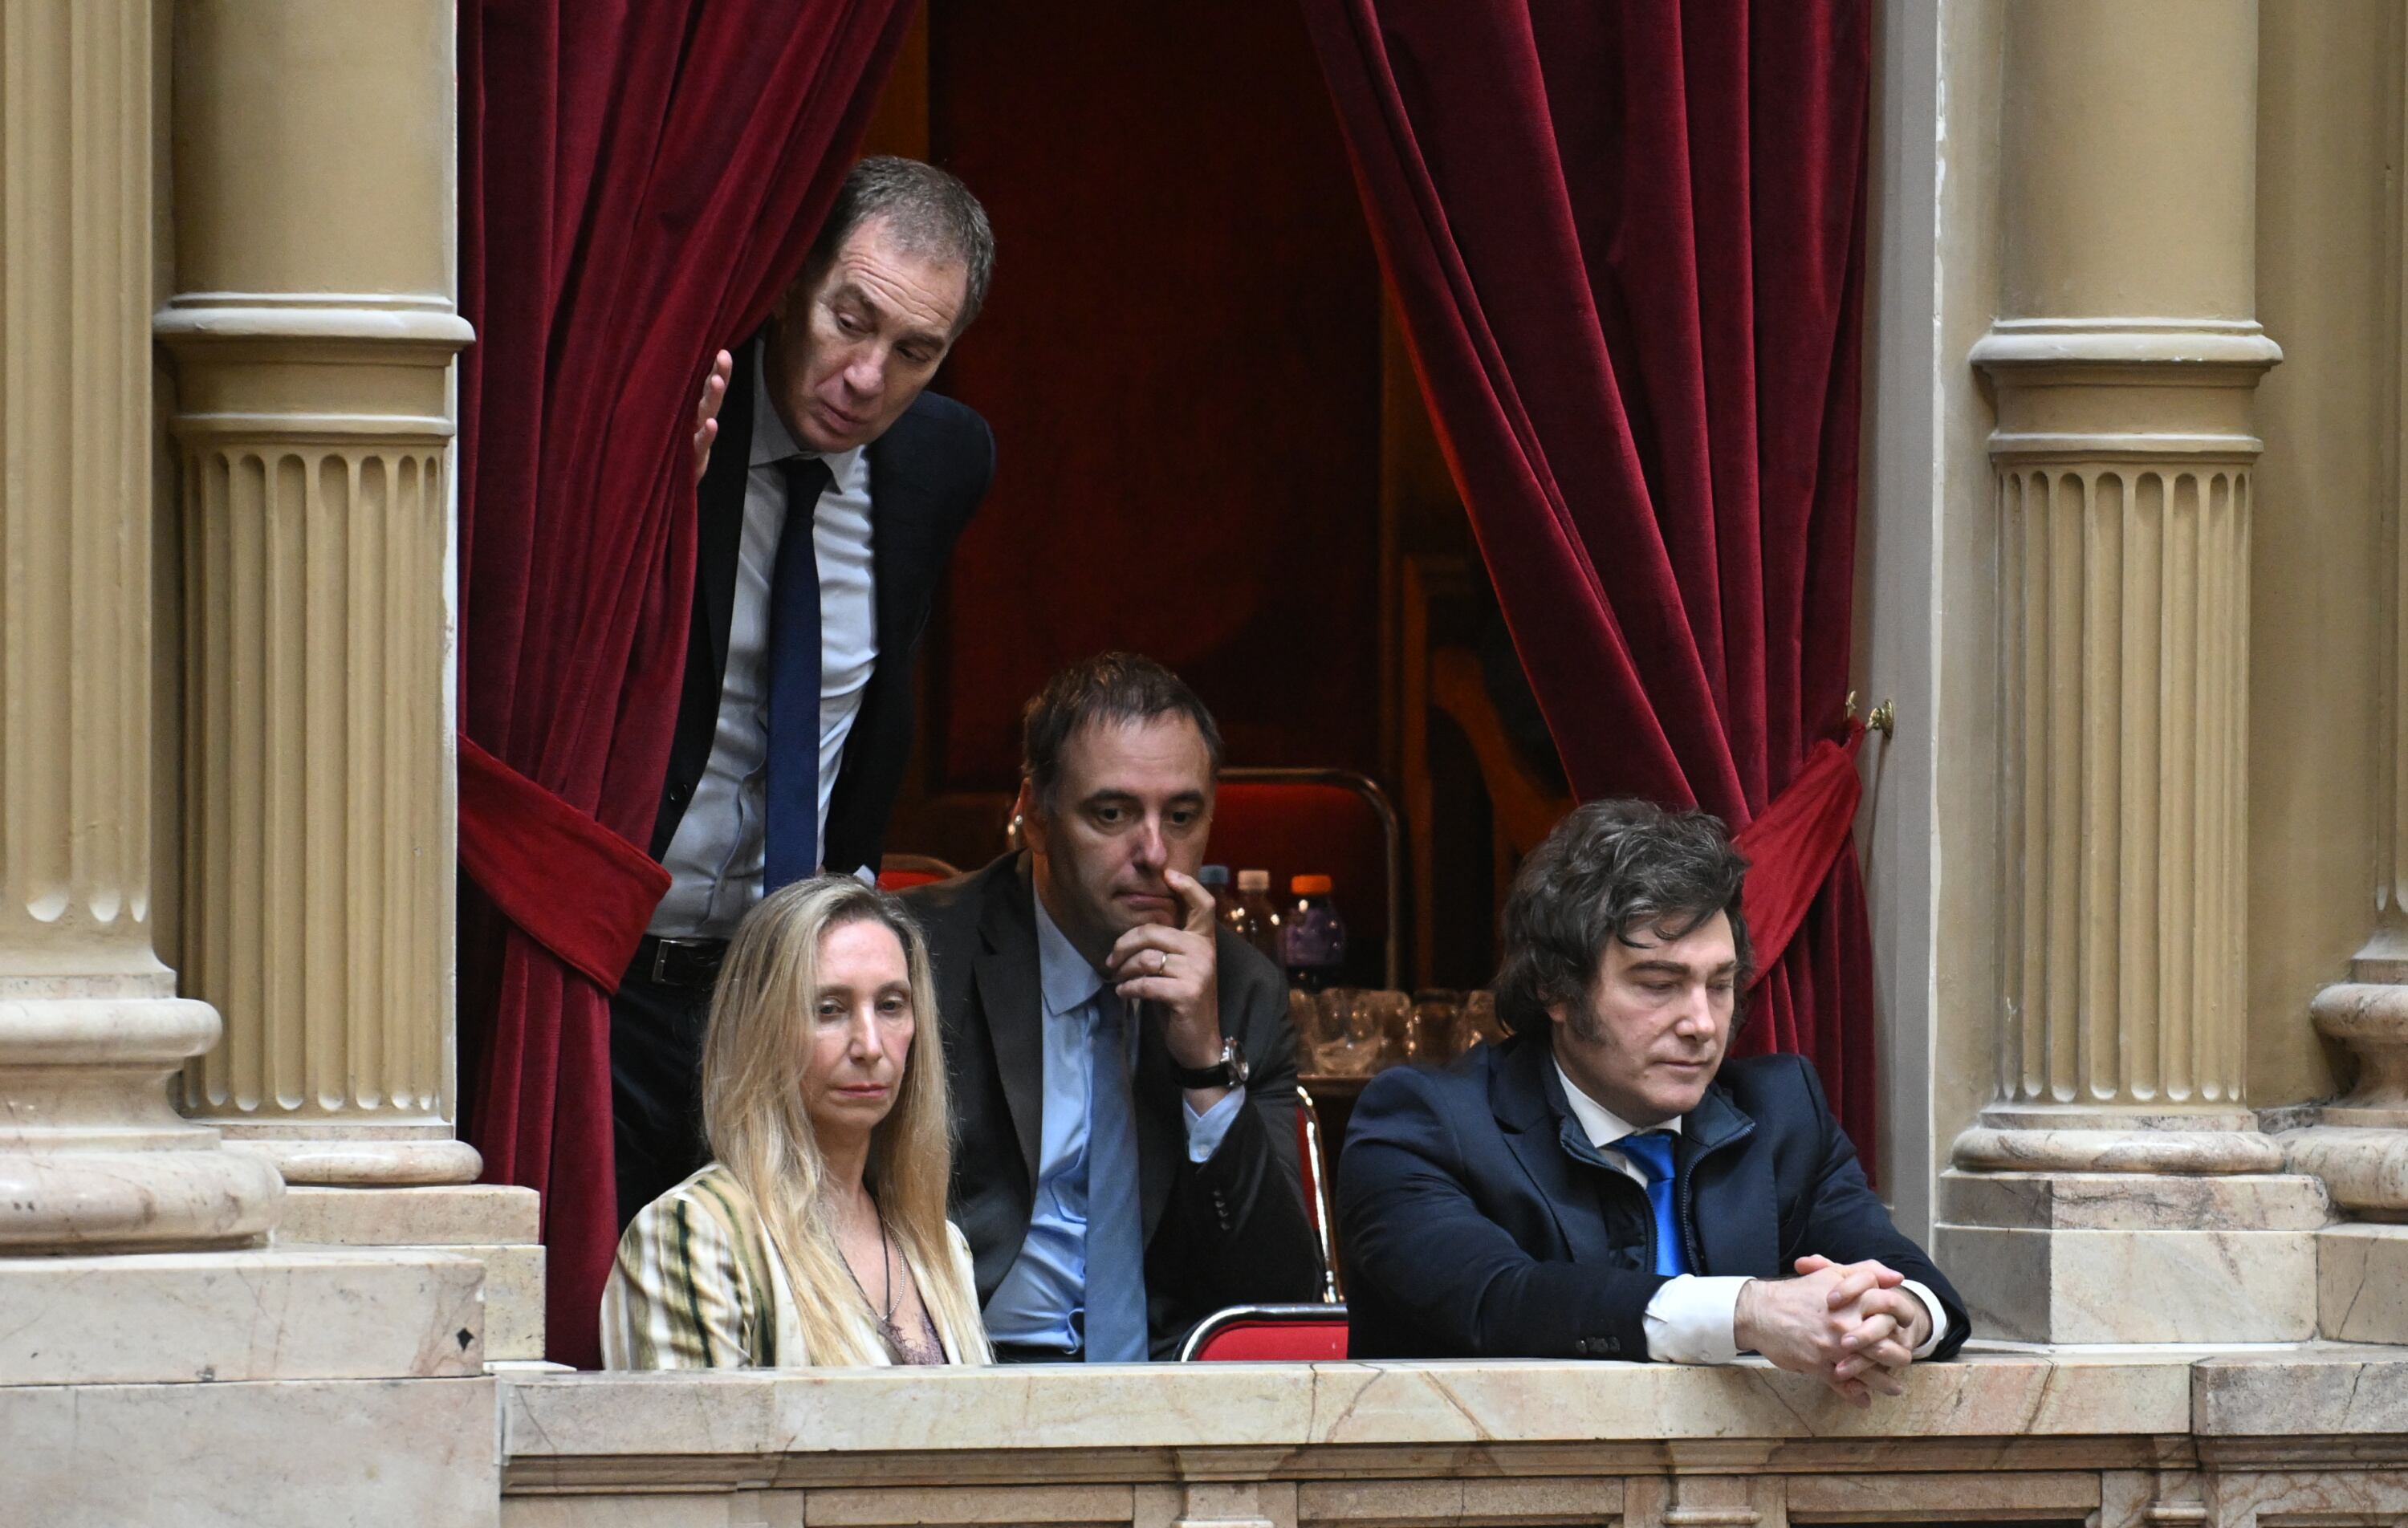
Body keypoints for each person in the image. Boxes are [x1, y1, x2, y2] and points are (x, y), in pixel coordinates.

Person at [615, 156, 997, 1227]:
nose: (867, 376)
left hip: (781, 1005)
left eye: (914, 351)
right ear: (791, 283)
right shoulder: (675, 415)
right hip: (608, 982)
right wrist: (647, 508)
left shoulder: (940, 466)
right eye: (850, 319)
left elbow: (876, 702)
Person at [1339, 799, 1969, 1404]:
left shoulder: (1783, 1113)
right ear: (1555, 989)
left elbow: (1911, 1279)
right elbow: (1501, 1299)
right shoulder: (1423, 1124)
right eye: (1660, 985)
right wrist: (1747, 1312)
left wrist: (1893, 1318)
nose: (1702, 1023)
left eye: (1719, 986)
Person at [903, 654, 1324, 1360]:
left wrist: (1204, 1069)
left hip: (1158, 1395)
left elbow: (1280, 1295)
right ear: (1034, 816)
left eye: (1182, 815)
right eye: (1112, 813)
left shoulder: (1241, 988)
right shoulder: (921, 957)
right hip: (958, 1378)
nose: (1156, 853)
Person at [602, 876, 991, 1367]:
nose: (870, 1046)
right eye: (829, 1010)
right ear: (762, 1028)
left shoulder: (941, 1245)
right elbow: (695, 1444)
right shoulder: (692, 1236)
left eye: (891, 1006)